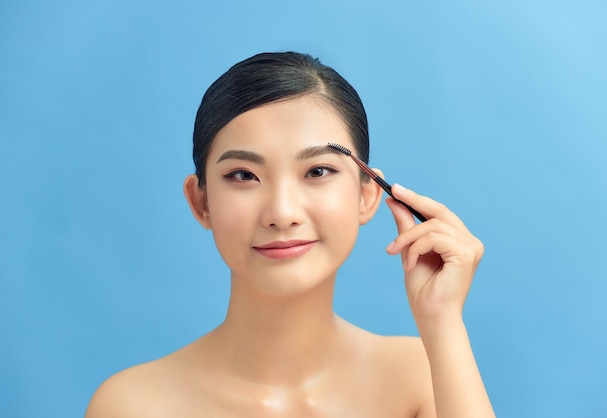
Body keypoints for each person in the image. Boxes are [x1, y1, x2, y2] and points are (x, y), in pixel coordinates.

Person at [85, 52, 495, 418]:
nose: (282, 213)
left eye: (318, 171)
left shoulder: (424, 377)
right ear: (201, 202)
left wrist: (443, 323)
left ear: (367, 195)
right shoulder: (131, 406)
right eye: (243, 175)